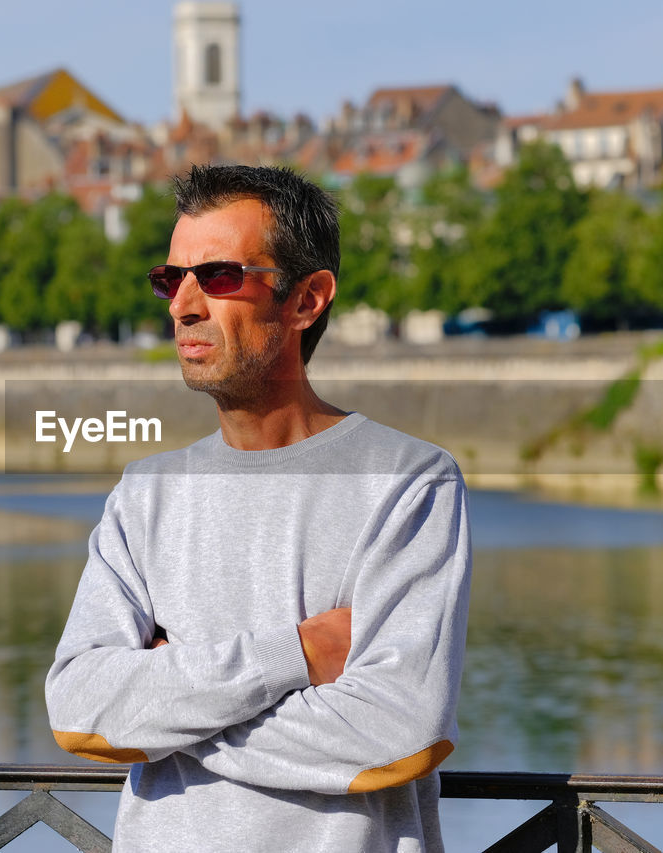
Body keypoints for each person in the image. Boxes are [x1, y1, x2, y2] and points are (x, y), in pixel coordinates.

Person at [45, 164, 472, 852]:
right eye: (170, 278)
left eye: (217, 277)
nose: (182, 304)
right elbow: (79, 710)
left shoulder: (409, 482)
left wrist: (166, 712)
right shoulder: (144, 494)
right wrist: (296, 653)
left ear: (307, 299)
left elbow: (396, 736)